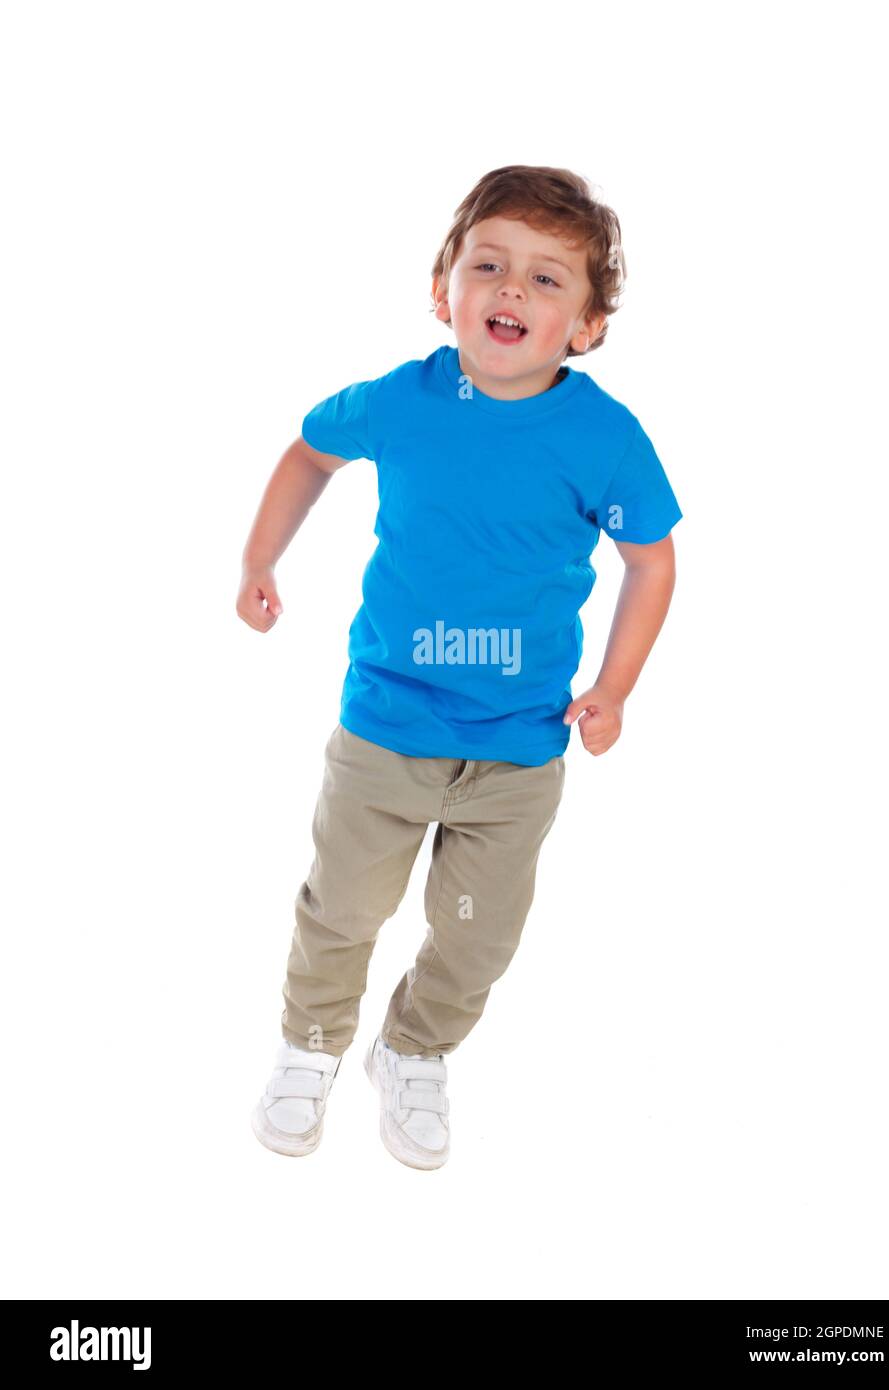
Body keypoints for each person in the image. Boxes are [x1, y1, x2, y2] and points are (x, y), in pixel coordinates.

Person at [240, 165, 684, 1170]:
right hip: (386, 728)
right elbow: (312, 449)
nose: (511, 291)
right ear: (444, 290)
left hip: (517, 752)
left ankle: (413, 1046)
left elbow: (650, 559)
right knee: (344, 906)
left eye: (546, 279)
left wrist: (614, 688)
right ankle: (309, 1044)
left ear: (588, 325)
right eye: (488, 265)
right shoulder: (402, 400)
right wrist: (260, 558)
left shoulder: (603, 439)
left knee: (476, 931)